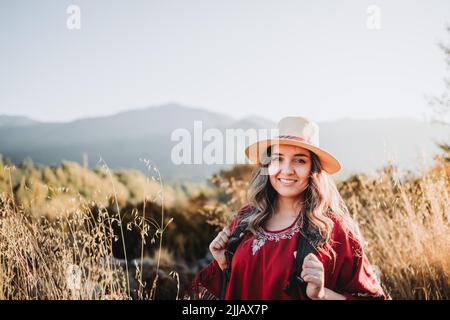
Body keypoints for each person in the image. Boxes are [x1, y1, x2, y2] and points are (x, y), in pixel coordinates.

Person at [190, 116, 386, 300]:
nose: (287, 169)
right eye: (278, 158)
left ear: (313, 169)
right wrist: (223, 262)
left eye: (300, 160)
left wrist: (321, 294)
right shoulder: (246, 217)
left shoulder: (334, 230)